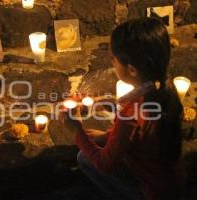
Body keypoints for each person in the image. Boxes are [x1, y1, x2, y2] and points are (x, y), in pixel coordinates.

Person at [61, 17, 186, 200]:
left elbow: (104, 165)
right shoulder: (165, 88)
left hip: (150, 190)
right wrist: (107, 136)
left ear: (132, 70)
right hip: (172, 180)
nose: (110, 60)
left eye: (114, 59)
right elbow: (141, 136)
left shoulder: (132, 113)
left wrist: (77, 130)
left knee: (83, 158)